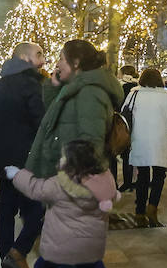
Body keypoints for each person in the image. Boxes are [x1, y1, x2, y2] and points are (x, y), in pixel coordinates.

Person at [6, 140, 118, 268]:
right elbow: (113, 196)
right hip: (90, 246)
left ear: (71, 162)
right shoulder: (104, 182)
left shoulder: (60, 184)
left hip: (62, 245)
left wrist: (16, 174)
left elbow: (35, 188)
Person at [0, 42, 49, 268]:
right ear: (24, 58)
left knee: (6, 212)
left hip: (5, 159)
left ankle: (6, 263)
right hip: (28, 160)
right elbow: (40, 123)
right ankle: (18, 253)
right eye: (39, 54)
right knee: (35, 211)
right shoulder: (32, 86)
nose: (43, 60)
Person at [24, 40, 122, 180]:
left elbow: (91, 147)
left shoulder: (89, 93)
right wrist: (54, 88)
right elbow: (58, 120)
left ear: (75, 63)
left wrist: (71, 185)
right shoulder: (75, 90)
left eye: (62, 59)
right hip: (61, 178)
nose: (57, 64)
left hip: (69, 184)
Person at [122, 68, 167, 227]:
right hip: (160, 141)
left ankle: (139, 212)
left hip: (139, 141)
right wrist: (166, 136)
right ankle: (152, 208)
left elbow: (124, 114)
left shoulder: (134, 93)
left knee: (142, 177)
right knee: (159, 176)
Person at [113, 65, 138, 190]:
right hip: (138, 123)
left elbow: (119, 105)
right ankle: (133, 181)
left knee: (124, 153)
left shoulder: (121, 86)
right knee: (132, 154)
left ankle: (125, 182)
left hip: (123, 123)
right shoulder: (139, 87)